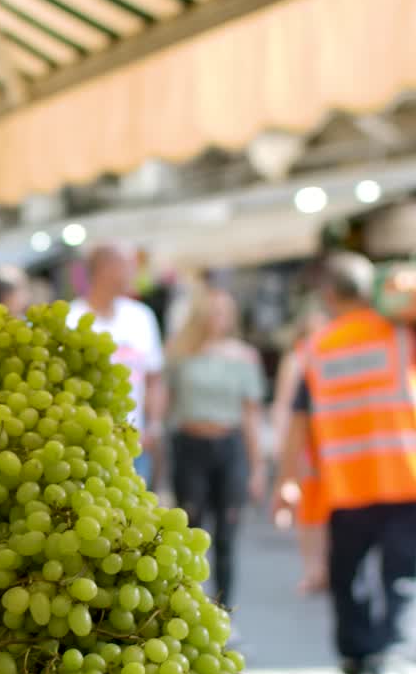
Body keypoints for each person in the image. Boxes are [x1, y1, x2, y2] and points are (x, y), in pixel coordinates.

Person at [278, 252, 416, 674]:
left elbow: (298, 423)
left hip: (348, 485)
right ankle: (394, 662)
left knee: (349, 580)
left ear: (328, 296)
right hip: (410, 480)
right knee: (405, 580)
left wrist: (287, 480)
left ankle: (357, 663)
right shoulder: (404, 336)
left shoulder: (317, 347)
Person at [164, 287, 265, 606]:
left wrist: (257, 467)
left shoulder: (244, 356)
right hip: (190, 445)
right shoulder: (181, 353)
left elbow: (251, 415)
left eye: (223, 311)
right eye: (212, 310)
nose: (217, 317)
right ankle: (187, 604)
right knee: (190, 530)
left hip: (229, 446)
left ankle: (224, 611)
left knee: (226, 534)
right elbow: (166, 403)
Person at [67, 243, 165, 489]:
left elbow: (154, 379)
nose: (133, 273)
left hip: (135, 442)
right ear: (104, 270)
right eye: (127, 266)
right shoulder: (71, 318)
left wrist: (153, 424)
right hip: (86, 446)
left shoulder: (141, 317)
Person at [269, 301, 330, 595]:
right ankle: (313, 568)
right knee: (308, 510)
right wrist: (285, 444)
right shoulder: (296, 359)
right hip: (305, 441)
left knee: (329, 508)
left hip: (328, 442)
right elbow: (284, 404)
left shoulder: (330, 356)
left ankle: (328, 567)